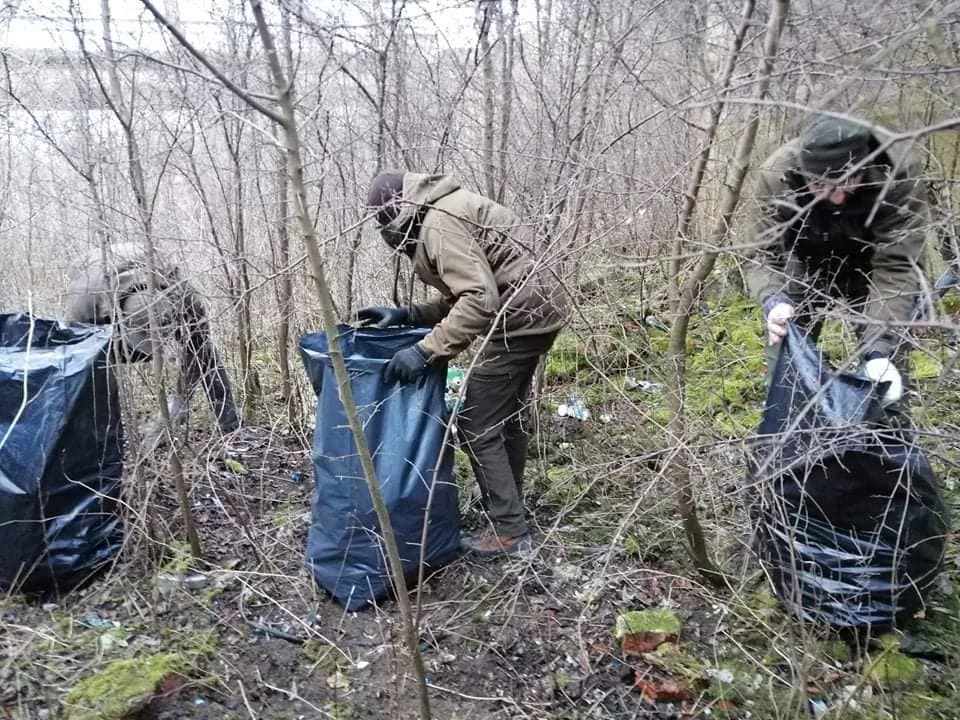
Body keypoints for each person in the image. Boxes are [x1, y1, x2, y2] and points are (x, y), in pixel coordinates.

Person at [359, 171, 568, 557]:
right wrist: (407, 314)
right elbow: (474, 291)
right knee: (504, 416)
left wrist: (426, 351)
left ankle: (509, 530)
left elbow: (478, 298)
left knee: (475, 421)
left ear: (395, 215)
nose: (386, 236)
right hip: (536, 309)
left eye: (383, 224)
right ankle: (510, 509)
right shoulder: (440, 210)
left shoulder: (438, 224)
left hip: (521, 318)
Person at [745, 115, 931, 417]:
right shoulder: (777, 175)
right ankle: (789, 450)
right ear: (804, 174)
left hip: (874, 270)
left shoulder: (898, 170)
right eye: (821, 185)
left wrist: (878, 350)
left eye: (849, 180)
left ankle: (888, 452)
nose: (838, 197)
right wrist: (773, 300)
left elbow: (897, 265)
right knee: (786, 365)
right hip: (804, 266)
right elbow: (762, 254)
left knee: (887, 373)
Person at [64, 242, 241, 440]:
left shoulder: (184, 297)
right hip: (96, 276)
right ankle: (103, 438)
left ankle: (230, 422)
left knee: (205, 348)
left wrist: (179, 402)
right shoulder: (84, 305)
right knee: (95, 367)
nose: (151, 353)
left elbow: (199, 349)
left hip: (149, 268)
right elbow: (76, 367)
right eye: (144, 339)